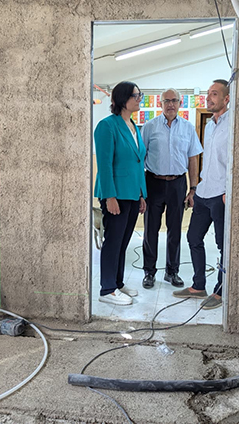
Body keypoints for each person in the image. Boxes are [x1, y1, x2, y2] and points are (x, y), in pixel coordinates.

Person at [173, 79, 230, 310]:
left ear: (226, 98)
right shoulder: (209, 125)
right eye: (208, 93)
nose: (209, 97)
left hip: (222, 194)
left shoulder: (233, 123)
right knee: (193, 237)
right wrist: (196, 188)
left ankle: (220, 291)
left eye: (214, 94)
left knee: (223, 245)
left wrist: (229, 191)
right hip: (205, 192)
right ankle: (199, 286)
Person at [140, 88, 202, 289]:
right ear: (160, 104)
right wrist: (140, 189)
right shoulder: (149, 127)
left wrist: (193, 189)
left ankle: (172, 271)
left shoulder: (188, 128)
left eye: (174, 100)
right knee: (151, 230)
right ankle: (149, 272)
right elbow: (140, 158)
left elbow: (193, 159)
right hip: (153, 182)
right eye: (166, 101)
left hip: (177, 184)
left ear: (180, 103)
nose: (170, 104)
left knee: (175, 230)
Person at [94, 81, 147, 306]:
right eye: (136, 95)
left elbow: (137, 162)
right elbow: (104, 165)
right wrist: (110, 197)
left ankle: (117, 282)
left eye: (139, 95)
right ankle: (107, 290)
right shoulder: (107, 126)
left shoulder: (133, 126)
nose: (139, 99)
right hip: (116, 194)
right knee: (113, 241)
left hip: (133, 193)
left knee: (124, 241)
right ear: (123, 99)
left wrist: (142, 194)